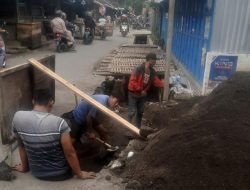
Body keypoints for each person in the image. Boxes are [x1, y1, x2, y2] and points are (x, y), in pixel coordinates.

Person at [12, 89, 96, 181]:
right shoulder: (59, 122)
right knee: (72, 147)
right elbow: (69, 152)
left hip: (36, 172)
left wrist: (24, 168)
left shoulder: (17, 117)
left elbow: (21, 145)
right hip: (61, 174)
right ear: (51, 102)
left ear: (33, 101)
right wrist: (80, 174)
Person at [128, 53, 164, 128]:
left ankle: (137, 129)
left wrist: (164, 85)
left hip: (142, 95)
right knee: (132, 112)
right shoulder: (138, 69)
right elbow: (132, 81)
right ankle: (128, 127)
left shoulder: (152, 72)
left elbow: (156, 81)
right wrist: (140, 90)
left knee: (140, 112)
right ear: (149, 60)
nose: (155, 63)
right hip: (133, 94)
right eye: (154, 61)